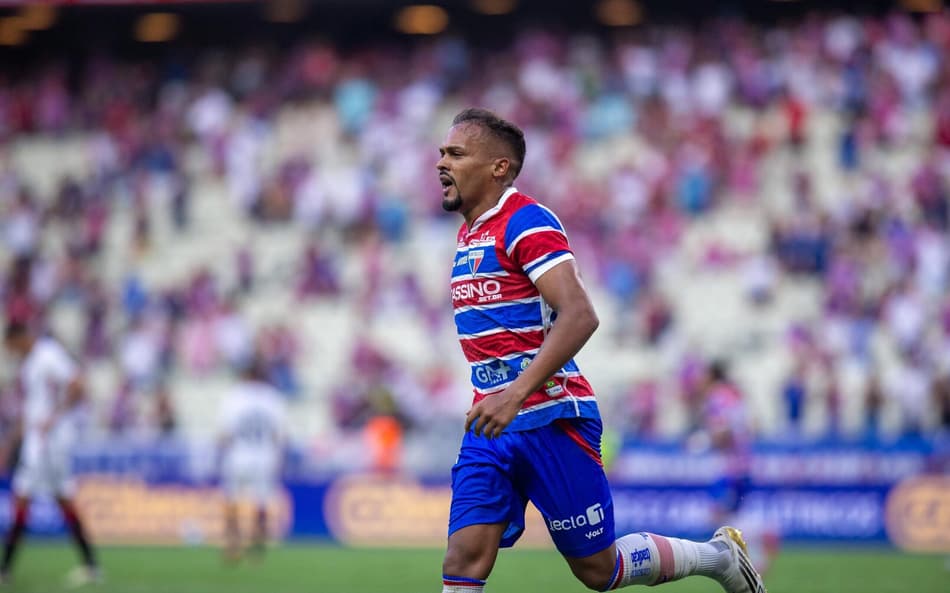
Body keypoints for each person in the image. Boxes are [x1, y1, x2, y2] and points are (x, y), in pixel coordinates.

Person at [436, 108, 766, 593]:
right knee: (463, 558)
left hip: (551, 417)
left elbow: (580, 314)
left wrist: (515, 394)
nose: (442, 162)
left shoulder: (525, 221)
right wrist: (501, 399)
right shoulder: (470, 233)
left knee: (598, 570)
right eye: (442, 153)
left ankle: (718, 558)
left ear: (498, 167)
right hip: (491, 425)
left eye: (456, 153)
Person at [0, 321, 100, 586]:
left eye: (10, 346)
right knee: (60, 496)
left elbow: (77, 384)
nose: (10, 352)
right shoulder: (30, 363)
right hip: (38, 439)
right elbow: (31, 408)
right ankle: (91, 565)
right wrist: (10, 442)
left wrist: (54, 418)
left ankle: (5, 569)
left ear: (19, 338)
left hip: (50, 441)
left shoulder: (48, 354)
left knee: (24, 494)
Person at [216, 357, 287, 561]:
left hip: (239, 455)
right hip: (264, 456)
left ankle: (232, 544)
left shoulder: (235, 397)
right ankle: (257, 545)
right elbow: (278, 435)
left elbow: (225, 434)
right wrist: (278, 458)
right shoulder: (272, 398)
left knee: (231, 498)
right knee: (261, 501)